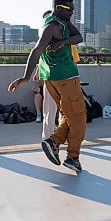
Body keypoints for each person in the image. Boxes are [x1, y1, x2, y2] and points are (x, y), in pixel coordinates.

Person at [8, 0, 86, 172]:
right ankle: (71, 157)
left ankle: (54, 142)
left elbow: (79, 37)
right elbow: (36, 51)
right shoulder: (51, 27)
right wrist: (26, 77)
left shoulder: (63, 22)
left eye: (73, 9)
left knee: (67, 116)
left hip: (53, 79)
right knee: (79, 119)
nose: (72, 12)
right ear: (59, 8)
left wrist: (63, 42)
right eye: (70, 9)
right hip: (65, 78)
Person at [39, 9, 81, 140]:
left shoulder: (68, 41)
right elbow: (41, 57)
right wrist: (37, 73)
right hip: (50, 79)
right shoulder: (45, 39)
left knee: (65, 111)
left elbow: (74, 62)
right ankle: (47, 138)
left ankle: (58, 137)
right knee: (49, 110)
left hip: (65, 80)